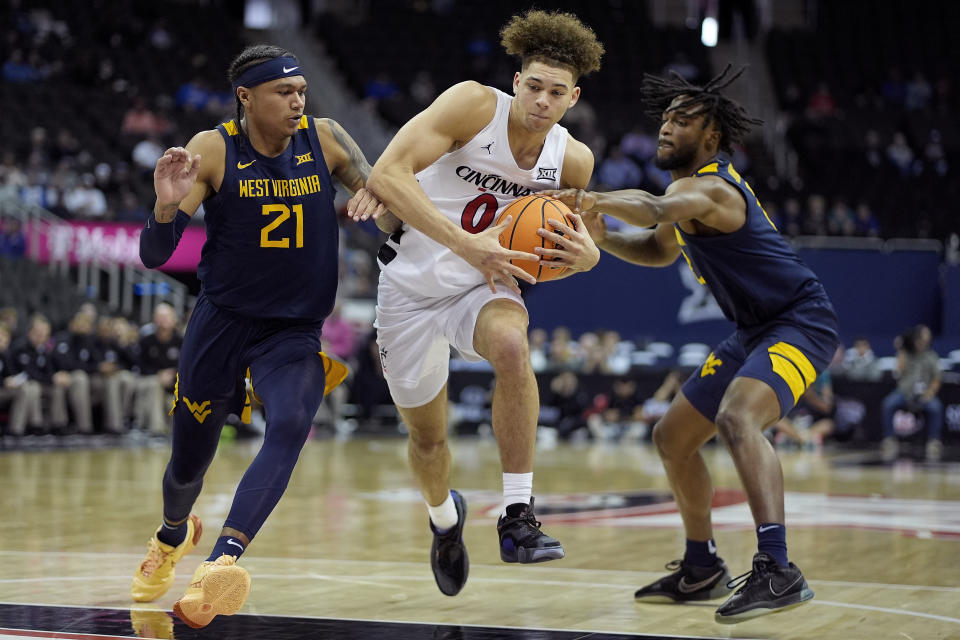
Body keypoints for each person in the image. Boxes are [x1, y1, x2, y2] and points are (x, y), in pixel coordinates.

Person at [545, 65, 839, 623]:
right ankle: (702, 566)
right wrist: (605, 241)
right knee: (673, 437)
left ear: (710, 137)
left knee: (736, 420)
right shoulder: (684, 193)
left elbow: (654, 211)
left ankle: (779, 568)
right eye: (664, 118)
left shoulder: (712, 187)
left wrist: (594, 199)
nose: (665, 128)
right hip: (754, 331)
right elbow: (657, 248)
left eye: (682, 120)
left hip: (802, 322)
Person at [348, 10, 604, 597]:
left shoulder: (573, 161)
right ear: (517, 81)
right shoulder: (470, 105)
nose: (542, 100)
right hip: (410, 290)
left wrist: (588, 259)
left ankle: (518, 516)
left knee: (514, 346)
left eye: (556, 92)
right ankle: (445, 521)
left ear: (573, 98)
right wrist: (468, 245)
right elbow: (388, 174)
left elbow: (563, 246)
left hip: (482, 286)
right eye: (534, 85)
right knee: (428, 441)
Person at [129, 44, 383, 629]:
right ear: (246, 98)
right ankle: (172, 536)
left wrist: (382, 197)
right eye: (284, 93)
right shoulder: (213, 149)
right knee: (187, 468)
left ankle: (220, 563)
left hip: (292, 331)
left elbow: (381, 198)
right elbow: (154, 253)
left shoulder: (328, 139)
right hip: (223, 323)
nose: (298, 102)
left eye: (301, 92)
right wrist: (166, 208)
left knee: (293, 423)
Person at [880, 325, 943, 462]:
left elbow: (937, 378)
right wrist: (901, 350)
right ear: (915, 340)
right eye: (920, 340)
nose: (922, 343)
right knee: (888, 403)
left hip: (924, 394)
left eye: (925, 340)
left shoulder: (931, 356)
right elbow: (898, 372)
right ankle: (889, 438)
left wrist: (930, 393)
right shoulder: (905, 354)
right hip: (904, 393)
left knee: (935, 407)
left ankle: (934, 440)